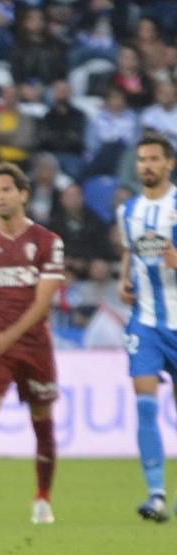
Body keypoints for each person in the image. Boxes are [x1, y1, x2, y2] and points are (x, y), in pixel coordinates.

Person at [0, 162, 66, 525]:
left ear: (23, 194)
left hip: (34, 349)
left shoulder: (47, 242)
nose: (0, 197)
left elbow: (43, 303)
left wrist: (7, 337)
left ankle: (42, 499)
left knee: (42, 423)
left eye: (6, 189)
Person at [117, 131, 177, 522]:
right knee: (143, 403)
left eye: (154, 159)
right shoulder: (129, 211)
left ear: (169, 163)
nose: (147, 166)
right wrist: (124, 281)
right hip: (147, 322)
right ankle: (155, 495)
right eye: (142, 159)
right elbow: (129, 252)